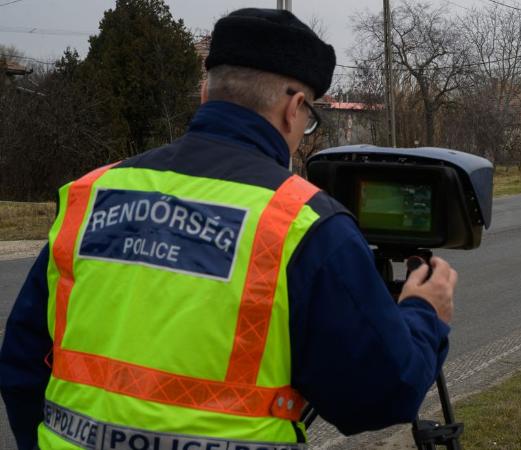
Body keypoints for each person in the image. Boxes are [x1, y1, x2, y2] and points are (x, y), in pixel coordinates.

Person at [0, 8, 457, 450]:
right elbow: (379, 396)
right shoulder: (304, 223)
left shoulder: (91, 193)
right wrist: (423, 314)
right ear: (294, 107)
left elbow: (22, 363)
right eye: (309, 117)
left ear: (205, 93)